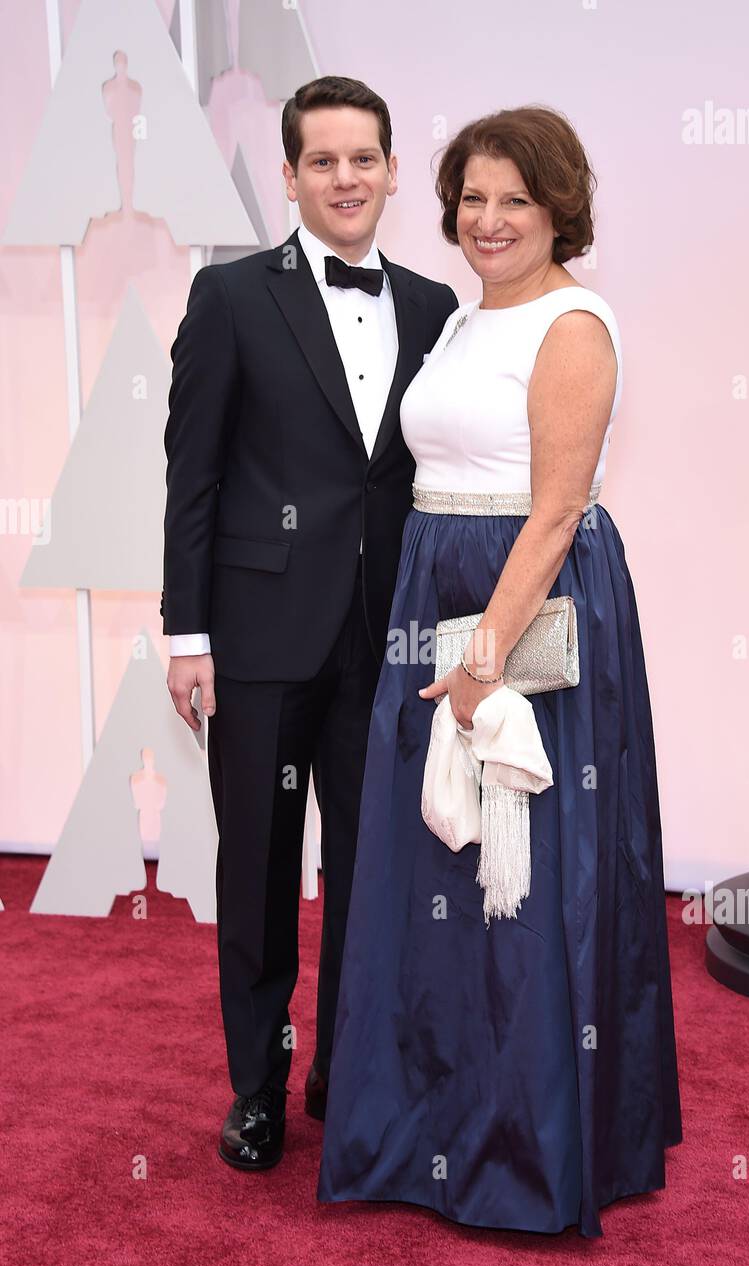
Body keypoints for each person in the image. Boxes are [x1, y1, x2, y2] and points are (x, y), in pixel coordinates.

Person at [318, 105, 682, 1237]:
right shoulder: (466, 323)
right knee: (428, 868)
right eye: (472, 199)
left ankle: (526, 1147)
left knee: (523, 879)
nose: (487, 220)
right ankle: (427, 1126)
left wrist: (479, 662)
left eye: (513, 200)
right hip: (435, 586)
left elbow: (559, 508)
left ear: (558, 207)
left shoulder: (573, 324)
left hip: (532, 602)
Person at [161, 77, 457, 1170]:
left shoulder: (433, 306)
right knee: (259, 873)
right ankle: (256, 1090)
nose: (345, 178)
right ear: (288, 176)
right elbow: (190, 478)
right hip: (258, 638)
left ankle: (346, 1070)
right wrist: (188, 634)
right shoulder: (232, 296)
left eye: (363, 159)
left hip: (388, 644)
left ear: (389, 170)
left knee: (373, 874)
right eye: (322, 161)